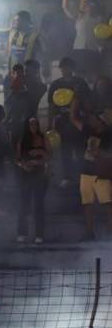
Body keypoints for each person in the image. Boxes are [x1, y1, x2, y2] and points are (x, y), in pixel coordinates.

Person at [70, 101, 112, 241]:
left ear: (101, 121)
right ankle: (89, 232)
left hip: (101, 173)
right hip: (86, 171)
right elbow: (74, 119)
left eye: (95, 119)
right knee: (87, 203)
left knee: (107, 202)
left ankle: (110, 231)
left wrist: (100, 153)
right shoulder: (88, 130)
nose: (92, 121)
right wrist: (74, 102)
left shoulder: (108, 134)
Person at [48, 57, 91, 187]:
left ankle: (82, 176)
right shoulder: (55, 84)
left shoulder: (80, 82)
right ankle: (67, 176)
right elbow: (52, 106)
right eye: (63, 67)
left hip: (78, 120)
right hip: (62, 121)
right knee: (65, 150)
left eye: (67, 67)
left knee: (80, 149)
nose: (65, 70)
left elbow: (88, 101)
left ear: (72, 68)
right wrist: (51, 124)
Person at [14, 117, 49, 244]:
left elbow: (50, 156)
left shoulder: (43, 138)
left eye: (35, 124)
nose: (34, 126)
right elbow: (17, 159)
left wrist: (40, 154)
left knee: (38, 205)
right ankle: (22, 233)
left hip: (40, 174)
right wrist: (23, 165)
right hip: (25, 174)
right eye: (31, 124)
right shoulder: (22, 139)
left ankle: (39, 234)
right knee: (24, 204)